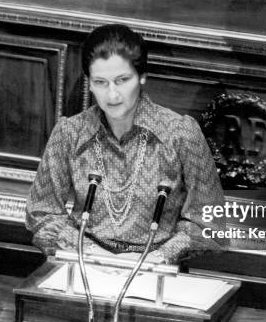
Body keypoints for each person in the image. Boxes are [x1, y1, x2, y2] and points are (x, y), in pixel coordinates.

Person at [25, 24, 226, 264]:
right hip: (83, 263)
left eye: (122, 80)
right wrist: (89, 253)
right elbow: (41, 211)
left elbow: (209, 222)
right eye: (101, 82)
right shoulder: (70, 132)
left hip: (155, 269)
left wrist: (159, 258)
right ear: (89, 83)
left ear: (142, 77)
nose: (112, 95)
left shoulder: (180, 134)